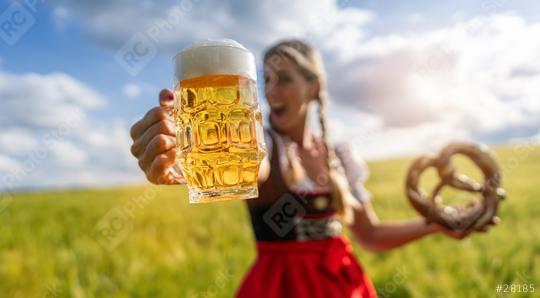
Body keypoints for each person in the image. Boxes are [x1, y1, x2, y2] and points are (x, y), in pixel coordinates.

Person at [129, 39, 497, 298]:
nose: (271, 92)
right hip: (280, 289)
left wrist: (436, 223)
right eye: (267, 80)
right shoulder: (267, 147)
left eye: (284, 79)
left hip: (343, 285)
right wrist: (183, 150)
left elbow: (369, 234)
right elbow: (251, 164)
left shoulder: (339, 156)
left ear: (313, 87)